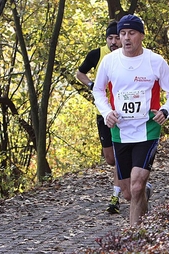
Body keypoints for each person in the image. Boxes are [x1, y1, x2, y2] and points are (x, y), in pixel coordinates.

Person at [92, 14, 169, 226]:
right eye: (123, 33)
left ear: (141, 35)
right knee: (128, 193)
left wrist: (166, 110)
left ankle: (134, 238)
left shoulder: (155, 61)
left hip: (147, 128)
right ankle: (143, 202)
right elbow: (98, 91)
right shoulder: (110, 61)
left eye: (131, 33)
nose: (126, 38)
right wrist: (106, 113)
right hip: (120, 131)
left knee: (137, 186)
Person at [76, 21, 123, 214]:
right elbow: (80, 73)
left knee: (121, 156)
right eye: (110, 38)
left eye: (116, 38)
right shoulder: (97, 54)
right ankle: (133, 183)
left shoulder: (129, 55)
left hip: (123, 115)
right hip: (103, 113)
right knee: (111, 159)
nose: (114, 42)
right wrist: (91, 85)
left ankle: (117, 196)